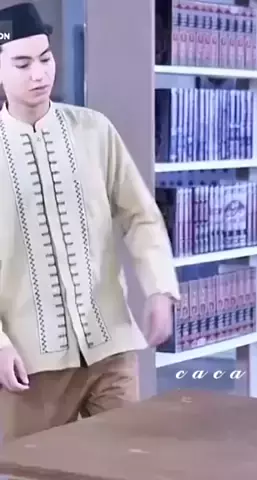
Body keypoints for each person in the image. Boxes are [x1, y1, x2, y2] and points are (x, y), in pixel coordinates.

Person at [0, 2, 179, 441]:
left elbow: (140, 215)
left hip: (111, 346)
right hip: (29, 364)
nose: (39, 74)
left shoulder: (94, 131)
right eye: (22, 64)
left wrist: (159, 288)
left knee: (129, 461)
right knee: (34, 468)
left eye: (45, 58)